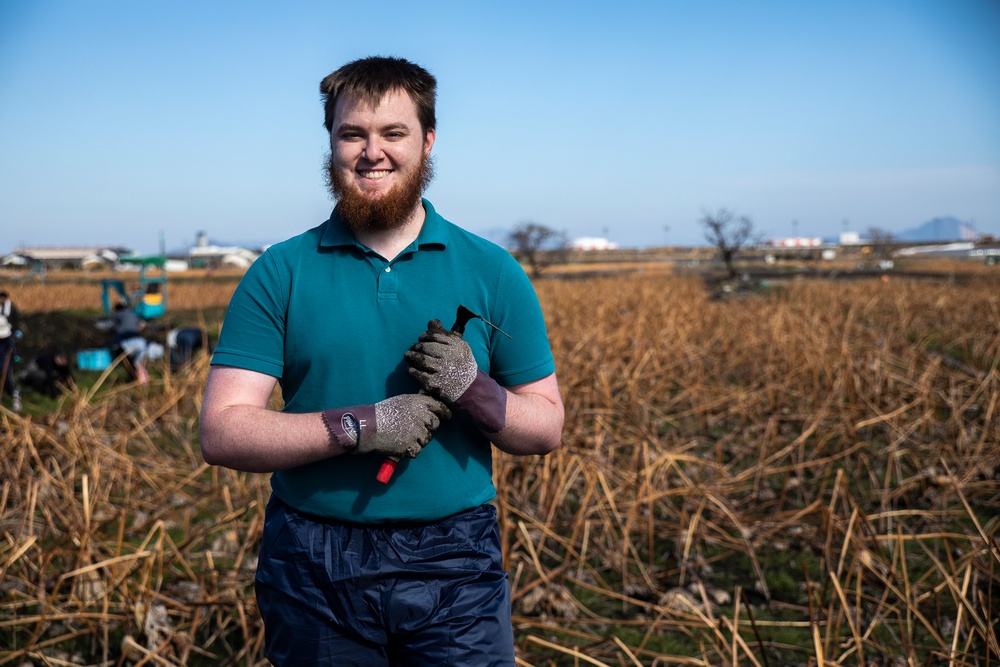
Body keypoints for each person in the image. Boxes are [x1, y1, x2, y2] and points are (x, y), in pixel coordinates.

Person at [199, 56, 564, 666]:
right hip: (312, 561)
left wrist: (475, 390)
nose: (373, 152)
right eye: (353, 134)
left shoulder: (492, 270)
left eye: (393, 133)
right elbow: (223, 431)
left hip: (456, 559)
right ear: (331, 142)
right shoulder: (280, 272)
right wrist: (363, 426)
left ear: (428, 141)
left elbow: (546, 427)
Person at [0, 291, 23, 412]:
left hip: (4, 362)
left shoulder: (8, 339)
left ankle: (15, 396)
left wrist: (14, 354)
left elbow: (11, 348)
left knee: (8, 378)